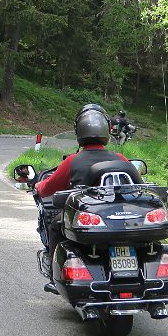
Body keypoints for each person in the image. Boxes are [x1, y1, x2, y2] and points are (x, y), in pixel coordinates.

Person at [34, 107, 133, 288]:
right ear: (107, 131)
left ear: (79, 131)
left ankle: (54, 277)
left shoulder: (73, 161)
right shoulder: (119, 158)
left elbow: (48, 188)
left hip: (88, 219)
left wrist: (37, 185)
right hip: (120, 218)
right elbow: (136, 188)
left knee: (55, 226)